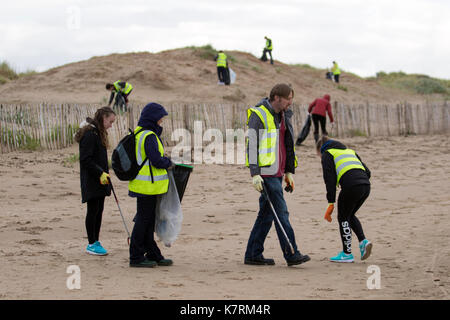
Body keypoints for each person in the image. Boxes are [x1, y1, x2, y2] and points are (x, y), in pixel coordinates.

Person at [245, 83, 310, 267]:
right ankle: (291, 253)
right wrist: (255, 174)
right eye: (288, 99)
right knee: (281, 213)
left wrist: (289, 171)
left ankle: (252, 254)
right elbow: (251, 145)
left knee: (266, 215)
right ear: (277, 98)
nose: (291, 103)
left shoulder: (284, 115)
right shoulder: (258, 114)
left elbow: (287, 144)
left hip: (278, 172)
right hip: (266, 174)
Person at [128, 102, 174, 268]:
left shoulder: (141, 133)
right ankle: (136, 256)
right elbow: (156, 160)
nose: (161, 121)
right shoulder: (148, 136)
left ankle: (153, 254)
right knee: (143, 221)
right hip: (147, 186)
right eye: (160, 118)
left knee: (147, 221)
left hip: (145, 185)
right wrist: (168, 162)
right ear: (153, 118)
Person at [316, 135, 372, 263]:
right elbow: (368, 172)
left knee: (342, 217)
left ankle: (347, 254)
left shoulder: (327, 154)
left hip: (351, 186)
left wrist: (331, 202)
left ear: (320, 149)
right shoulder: (350, 151)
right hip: (366, 186)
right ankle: (363, 242)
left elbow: (329, 180)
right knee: (349, 214)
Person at [75, 107, 116, 256]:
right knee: (93, 210)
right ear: (103, 118)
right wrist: (100, 173)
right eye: (110, 121)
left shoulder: (98, 133)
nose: (111, 125)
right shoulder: (90, 134)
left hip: (101, 179)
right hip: (92, 179)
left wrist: (104, 174)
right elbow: (85, 159)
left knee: (99, 210)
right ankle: (91, 243)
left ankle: (96, 241)